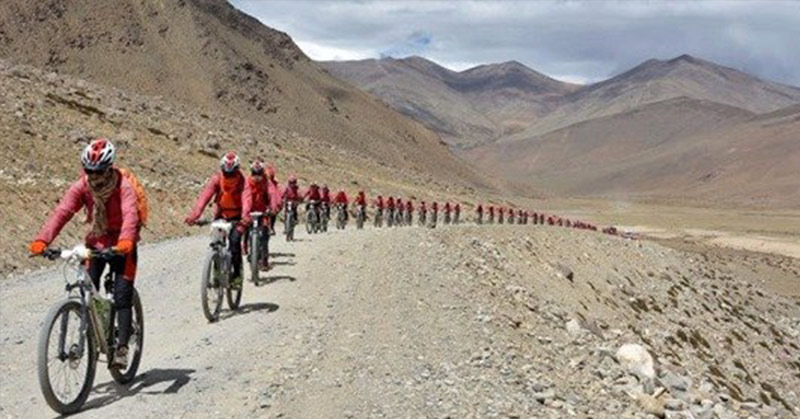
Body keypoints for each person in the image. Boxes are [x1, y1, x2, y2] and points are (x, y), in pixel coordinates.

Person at [30, 138, 141, 369]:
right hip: (98, 240)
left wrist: (125, 242)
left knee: (122, 294)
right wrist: (43, 239)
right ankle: (95, 329)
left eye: (98, 170)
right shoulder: (82, 186)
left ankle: (122, 347)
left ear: (109, 167)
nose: (93, 175)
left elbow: (130, 215)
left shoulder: (123, 187)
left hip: (123, 242)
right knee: (89, 285)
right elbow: (63, 211)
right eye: (89, 170)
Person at [186, 151, 246, 287]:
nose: (229, 175)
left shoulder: (243, 181)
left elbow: (247, 200)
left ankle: (237, 276)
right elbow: (204, 197)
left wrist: (246, 217)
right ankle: (217, 275)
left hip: (239, 217)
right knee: (217, 243)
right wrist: (195, 215)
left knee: (235, 243)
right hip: (221, 215)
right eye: (226, 172)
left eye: (232, 173)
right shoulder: (217, 179)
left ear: (237, 170)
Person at [242, 159, 271, 271]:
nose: (257, 176)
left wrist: (272, 207)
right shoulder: (246, 183)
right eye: (254, 174)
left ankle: (264, 261)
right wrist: (244, 210)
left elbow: (271, 195)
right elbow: (244, 198)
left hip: (262, 212)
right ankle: (246, 248)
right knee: (245, 229)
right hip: (249, 212)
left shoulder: (266, 183)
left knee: (264, 235)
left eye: (259, 174)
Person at [265, 166, 282, 233]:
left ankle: (271, 227)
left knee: (273, 214)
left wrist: (277, 204)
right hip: (263, 201)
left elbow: (277, 194)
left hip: (272, 202)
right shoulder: (261, 182)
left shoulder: (275, 183)